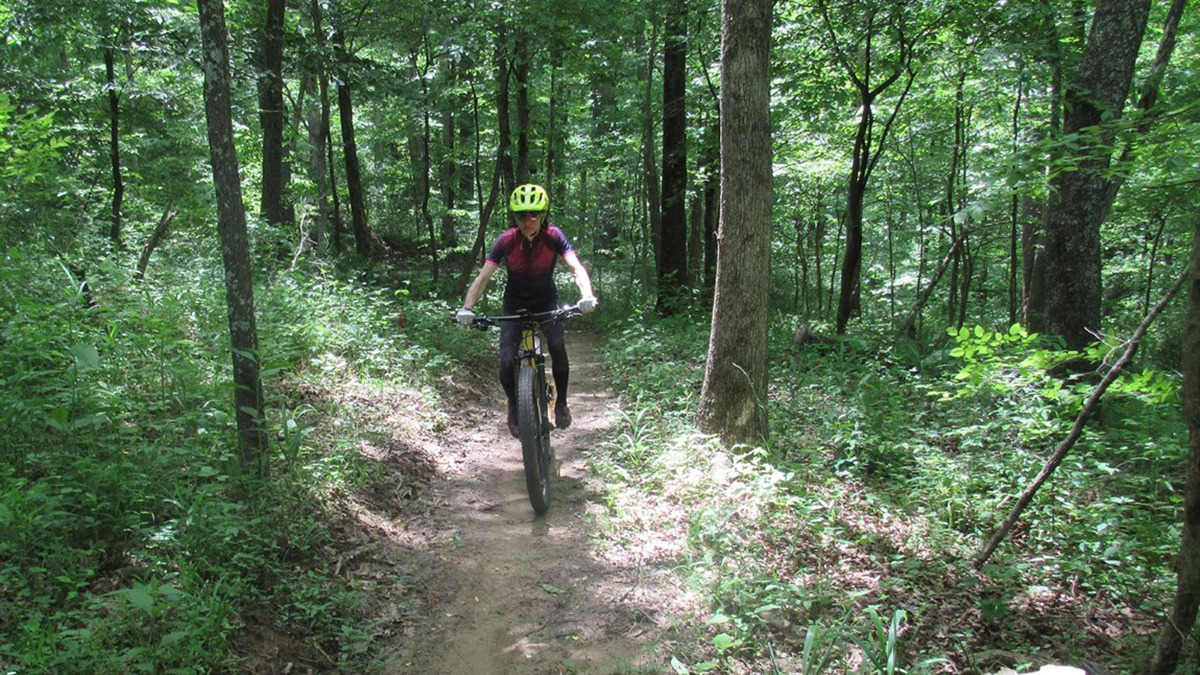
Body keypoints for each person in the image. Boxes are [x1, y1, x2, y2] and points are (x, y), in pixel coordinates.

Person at [456, 184, 598, 438]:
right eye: (522, 215)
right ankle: (514, 404)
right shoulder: (506, 240)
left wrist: (586, 295)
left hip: (546, 301)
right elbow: (483, 278)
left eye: (533, 214)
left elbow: (576, 268)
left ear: (543, 215)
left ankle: (562, 403)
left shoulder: (553, 236)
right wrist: (467, 307)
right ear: (515, 217)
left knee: (556, 345)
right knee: (506, 359)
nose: (527, 220)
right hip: (515, 302)